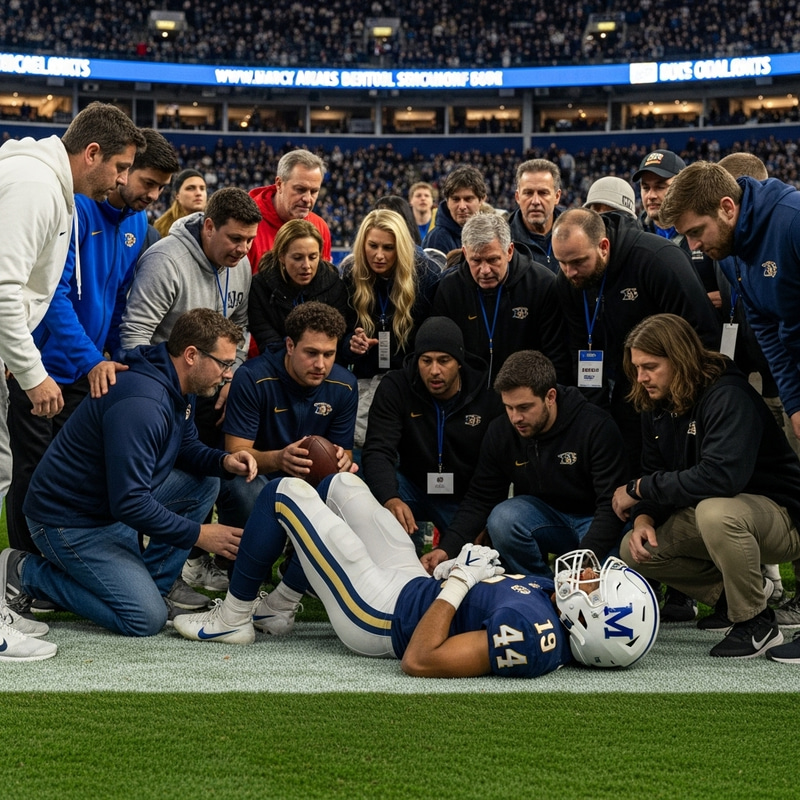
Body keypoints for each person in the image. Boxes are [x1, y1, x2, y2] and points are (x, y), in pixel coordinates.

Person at [173, 473, 659, 676]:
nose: (587, 577)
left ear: (594, 623)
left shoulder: (534, 635)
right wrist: (455, 571)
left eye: (595, 588)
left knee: (283, 492)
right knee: (341, 483)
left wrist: (459, 581)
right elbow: (476, 601)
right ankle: (278, 609)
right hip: (414, 587)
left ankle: (234, 617)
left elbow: (422, 659)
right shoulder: (552, 602)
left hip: (382, 617)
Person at [1, 309, 257, 640]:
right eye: (223, 363)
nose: (226, 374)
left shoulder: (178, 383)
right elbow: (130, 503)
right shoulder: (143, 401)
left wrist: (224, 461)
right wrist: (199, 535)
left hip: (105, 508)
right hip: (68, 522)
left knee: (204, 482)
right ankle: (26, 572)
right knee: (143, 619)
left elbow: (186, 447)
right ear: (192, 355)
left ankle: (154, 588)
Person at [5, 128, 179, 557]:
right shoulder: (72, 204)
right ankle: (25, 570)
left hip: (89, 366)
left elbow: (121, 296)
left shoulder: (137, 223)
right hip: (42, 360)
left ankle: (64, 561)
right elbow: (52, 294)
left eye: (161, 187)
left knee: (74, 468)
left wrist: (116, 357)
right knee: (28, 468)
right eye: (144, 180)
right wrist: (83, 360)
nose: (151, 194)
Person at [613, 314, 800, 660]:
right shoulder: (657, 402)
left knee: (714, 511)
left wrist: (639, 488)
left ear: (679, 358)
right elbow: (655, 471)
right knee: (635, 549)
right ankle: (736, 596)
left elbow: (721, 478)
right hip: (730, 517)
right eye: (637, 367)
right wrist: (643, 518)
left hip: (785, 518)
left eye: (650, 366)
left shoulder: (728, 394)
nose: (641, 377)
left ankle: (757, 623)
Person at [0, 101, 144, 532]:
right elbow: (4, 289)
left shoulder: (48, 185)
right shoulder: (36, 187)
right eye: (120, 166)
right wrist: (33, 373)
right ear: (92, 152)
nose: (122, 180)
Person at [119, 187, 260, 600]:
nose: (243, 248)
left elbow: (240, 324)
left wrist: (229, 374)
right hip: (160, 395)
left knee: (204, 481)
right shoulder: (167, 261)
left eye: (249, 240)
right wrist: (163, 390)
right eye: (235, 238)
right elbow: (134, 337)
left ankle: (165, 576)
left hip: (204, 393)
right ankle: (127, 574)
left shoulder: (243, 264)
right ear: (209, 225)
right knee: (138, 488)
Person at [423, 350, 627, 578]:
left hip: (596, 520)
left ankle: (573, 585)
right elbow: (481, 497)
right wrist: (446, 548)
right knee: (502, 518)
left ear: (550, 397)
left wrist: (580, 565)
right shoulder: (501, 432)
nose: (515, 417)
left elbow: (612, 505)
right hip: (544, 519)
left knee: (604, 587)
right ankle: (540, 588)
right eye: (508, 407)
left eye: (524, 407)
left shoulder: (596, 426)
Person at [361, 316, 503, 552]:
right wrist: (389, 498)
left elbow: (493, 476)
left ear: (459, 362)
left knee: (476, 554)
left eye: (444, 360)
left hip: (464, 498)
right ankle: (401, 552)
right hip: (411, 486)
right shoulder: (396, 386)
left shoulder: (488, 397)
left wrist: (478, 521)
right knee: (361, 479)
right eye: (426, 361)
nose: (434, 371)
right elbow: (378, 449)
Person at [215, 301, 358, 529]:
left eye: (329, 354)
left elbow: (346, 453)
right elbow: (236, 453)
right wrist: (279, 459)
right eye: (311, 353)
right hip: (259, 475)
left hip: (312, 478)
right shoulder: (253, 377)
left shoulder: (345, 385)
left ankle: (298, 559)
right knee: (240, 487)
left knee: (353, 489)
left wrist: (341, 460)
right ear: (290, 346)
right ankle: (234, 557)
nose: (320, 364)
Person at [432, 213, 572, 385]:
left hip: (525, 397)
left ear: (509, 251)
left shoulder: (542, 284)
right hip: (467, 398)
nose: (484, 270)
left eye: (493, 260)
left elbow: (556, 356)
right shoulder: (449, 288)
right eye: (476, 260)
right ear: (465, 253)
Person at [342, 209, 440, 447]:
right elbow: (337, 340)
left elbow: (433, 337)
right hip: (364, 376)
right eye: (372, 246)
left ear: (402, 248)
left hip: (410, 379)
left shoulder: (426, 277)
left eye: (388, 248)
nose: (379, 255)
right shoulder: (349, 275)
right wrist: (351, 345)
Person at [248, 219, 349, 355]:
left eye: (313, 257)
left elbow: (338, 335)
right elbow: (264, 334)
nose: (306, 265)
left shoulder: (334, 285)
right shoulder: (260, 287)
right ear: (282, 256)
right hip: (276, 361)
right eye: (297, 258)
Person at [633, 149, 718, 306]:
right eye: (645, 188)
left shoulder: (707, 231)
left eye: (660, 187)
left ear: (681, 187)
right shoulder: (633, 237)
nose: (650, 195)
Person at [247, 149, 331, 270]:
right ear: (279, 184)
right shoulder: (247, 225)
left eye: (314, 191)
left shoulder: (320, 227)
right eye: (300, 189)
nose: (307, 199)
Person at [507, 158, 564, 273]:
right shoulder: (504, 240)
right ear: (517, 197)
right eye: (528, 193)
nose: (535, 201)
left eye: (543, 193)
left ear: (557, 197)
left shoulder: (575, 232)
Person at [422, 165, 488, 254]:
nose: (462, 206)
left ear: (482, 200)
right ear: (447, 202)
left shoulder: (489, 233)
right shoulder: (437, 238)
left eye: (468, 199)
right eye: (456, 199)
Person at [153, 168, 207, 237]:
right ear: (177, 195)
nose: (199, 193)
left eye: (202, 188)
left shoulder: (216, 224)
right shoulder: (161, 227)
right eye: (190, 188)